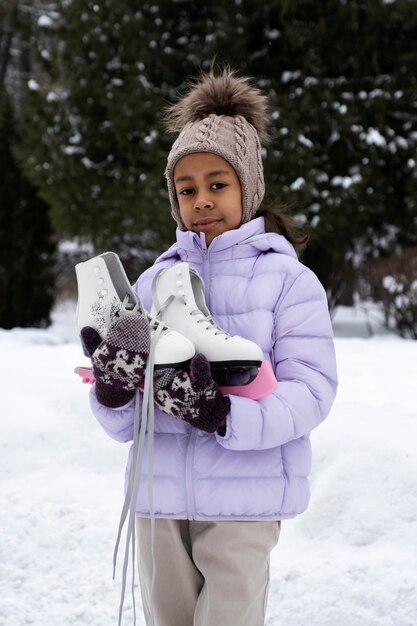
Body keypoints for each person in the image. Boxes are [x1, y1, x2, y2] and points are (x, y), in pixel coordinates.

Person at [83, 68, 338, 626]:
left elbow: (311, 392)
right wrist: (114, 385)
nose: (202, 200)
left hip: (245, 503)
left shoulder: (289, 282)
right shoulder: (151, 285)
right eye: (187, 188)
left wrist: (222, 414)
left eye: (217, 183)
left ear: (248, 185)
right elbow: (123, 424)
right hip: (158, 498)